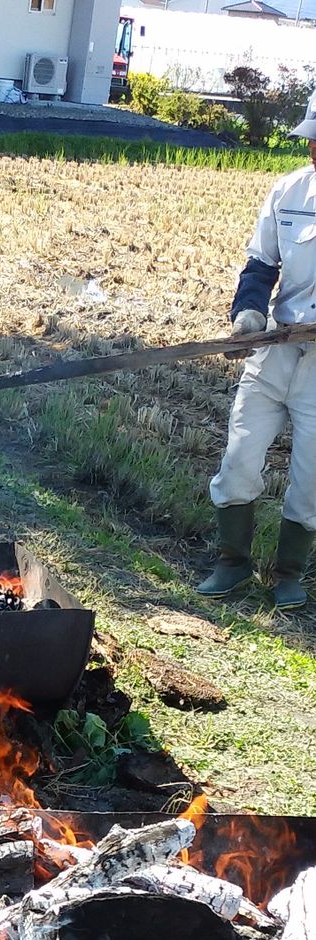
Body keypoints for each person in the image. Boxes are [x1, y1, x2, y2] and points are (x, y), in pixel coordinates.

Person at [198, 94, 316, 610]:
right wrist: (248, 315)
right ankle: (232, 564)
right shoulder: (289, 191)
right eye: (312, 138)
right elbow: (260, 266)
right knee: (240, 459)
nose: (313, 148)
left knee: (311, 479)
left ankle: (289, 574)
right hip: (275, 354)